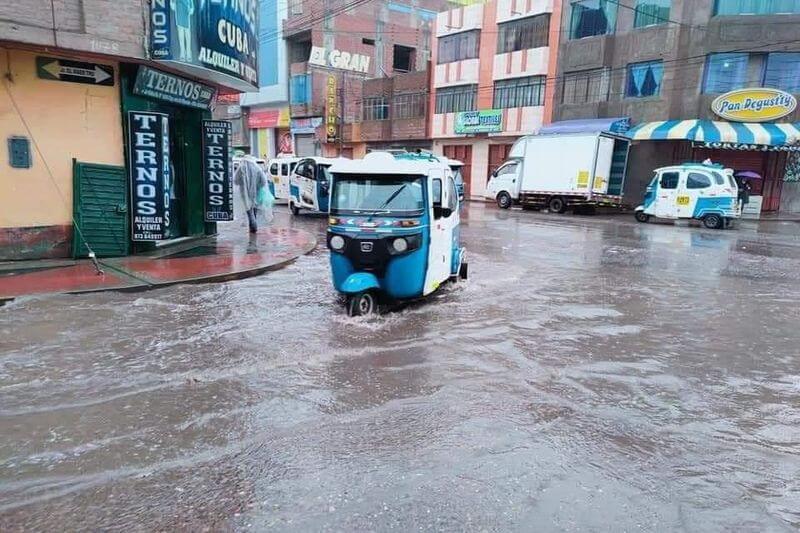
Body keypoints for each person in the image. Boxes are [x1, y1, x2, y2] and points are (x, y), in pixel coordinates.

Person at [234, 155, 267, 233]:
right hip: (256, 193)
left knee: (249, 211)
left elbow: (236, 181)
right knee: (254, 210)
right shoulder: (257, 168)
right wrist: (257, 186)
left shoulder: (241, 169)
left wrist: (243, 183)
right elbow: (263, 182)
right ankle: (253, 226)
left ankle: (253, 226)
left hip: (244, 194)